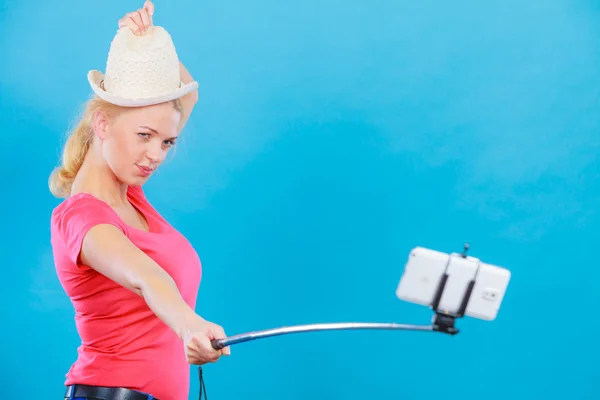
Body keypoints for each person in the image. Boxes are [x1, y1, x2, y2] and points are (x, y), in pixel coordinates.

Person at [49, 2, 230, 399]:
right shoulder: (80, 216)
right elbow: (147, 278)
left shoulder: (131, 198)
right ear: (102, 123)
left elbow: (189, 94)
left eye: (167, 142)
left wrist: (150, 45)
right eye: (144, 136)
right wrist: (189, 325)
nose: (156, 156)